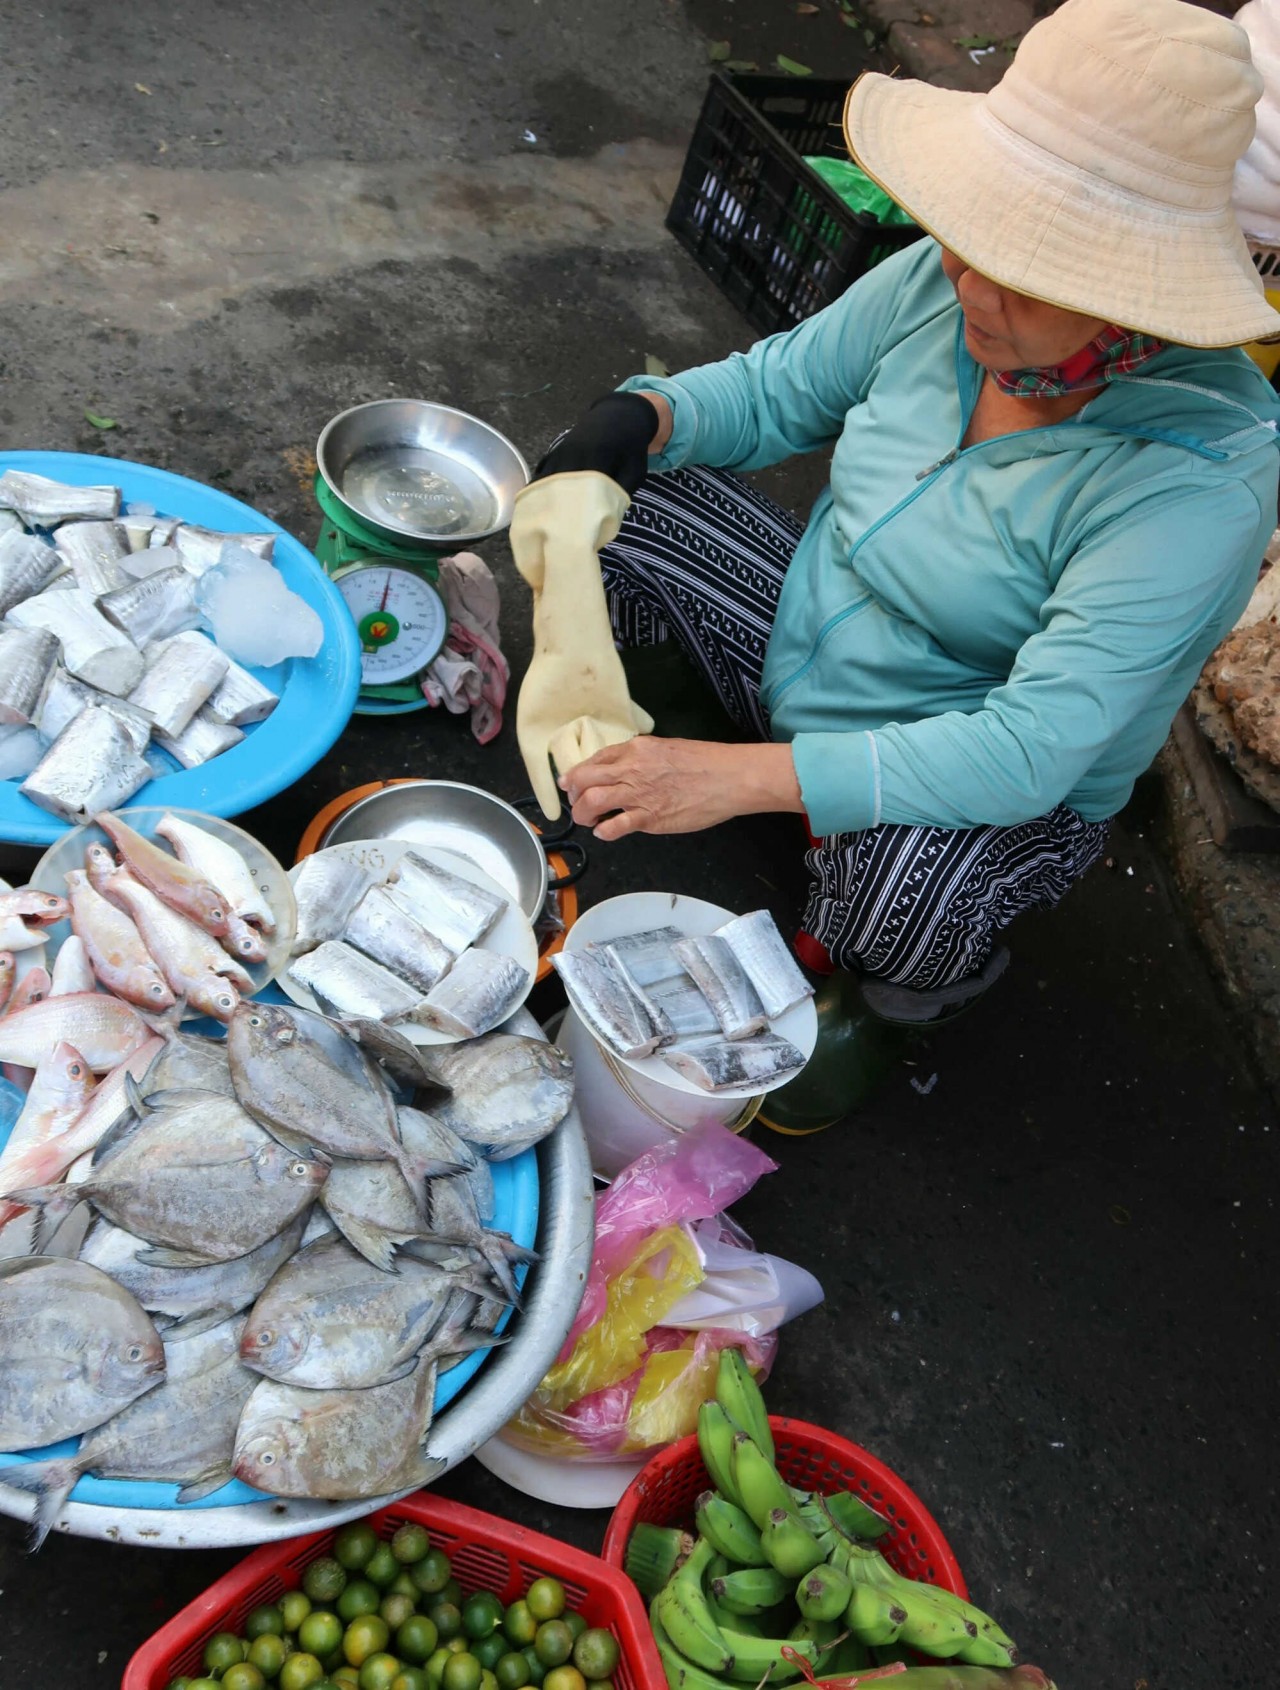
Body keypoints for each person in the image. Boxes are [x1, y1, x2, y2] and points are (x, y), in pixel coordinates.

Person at [511, 0, 1280, 1038]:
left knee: (901, 894)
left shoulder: (1202, 476)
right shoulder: (943, 280)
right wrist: (641, 416)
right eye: (971, 235)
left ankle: (909, 978)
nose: (963, 275)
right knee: (616, 499)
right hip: (806, 634)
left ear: (1131, 297)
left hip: (980, 765)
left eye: (1023, 269)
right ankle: (682, 750)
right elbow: (771, 392)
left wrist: (732, 781)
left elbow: (1029, 748)